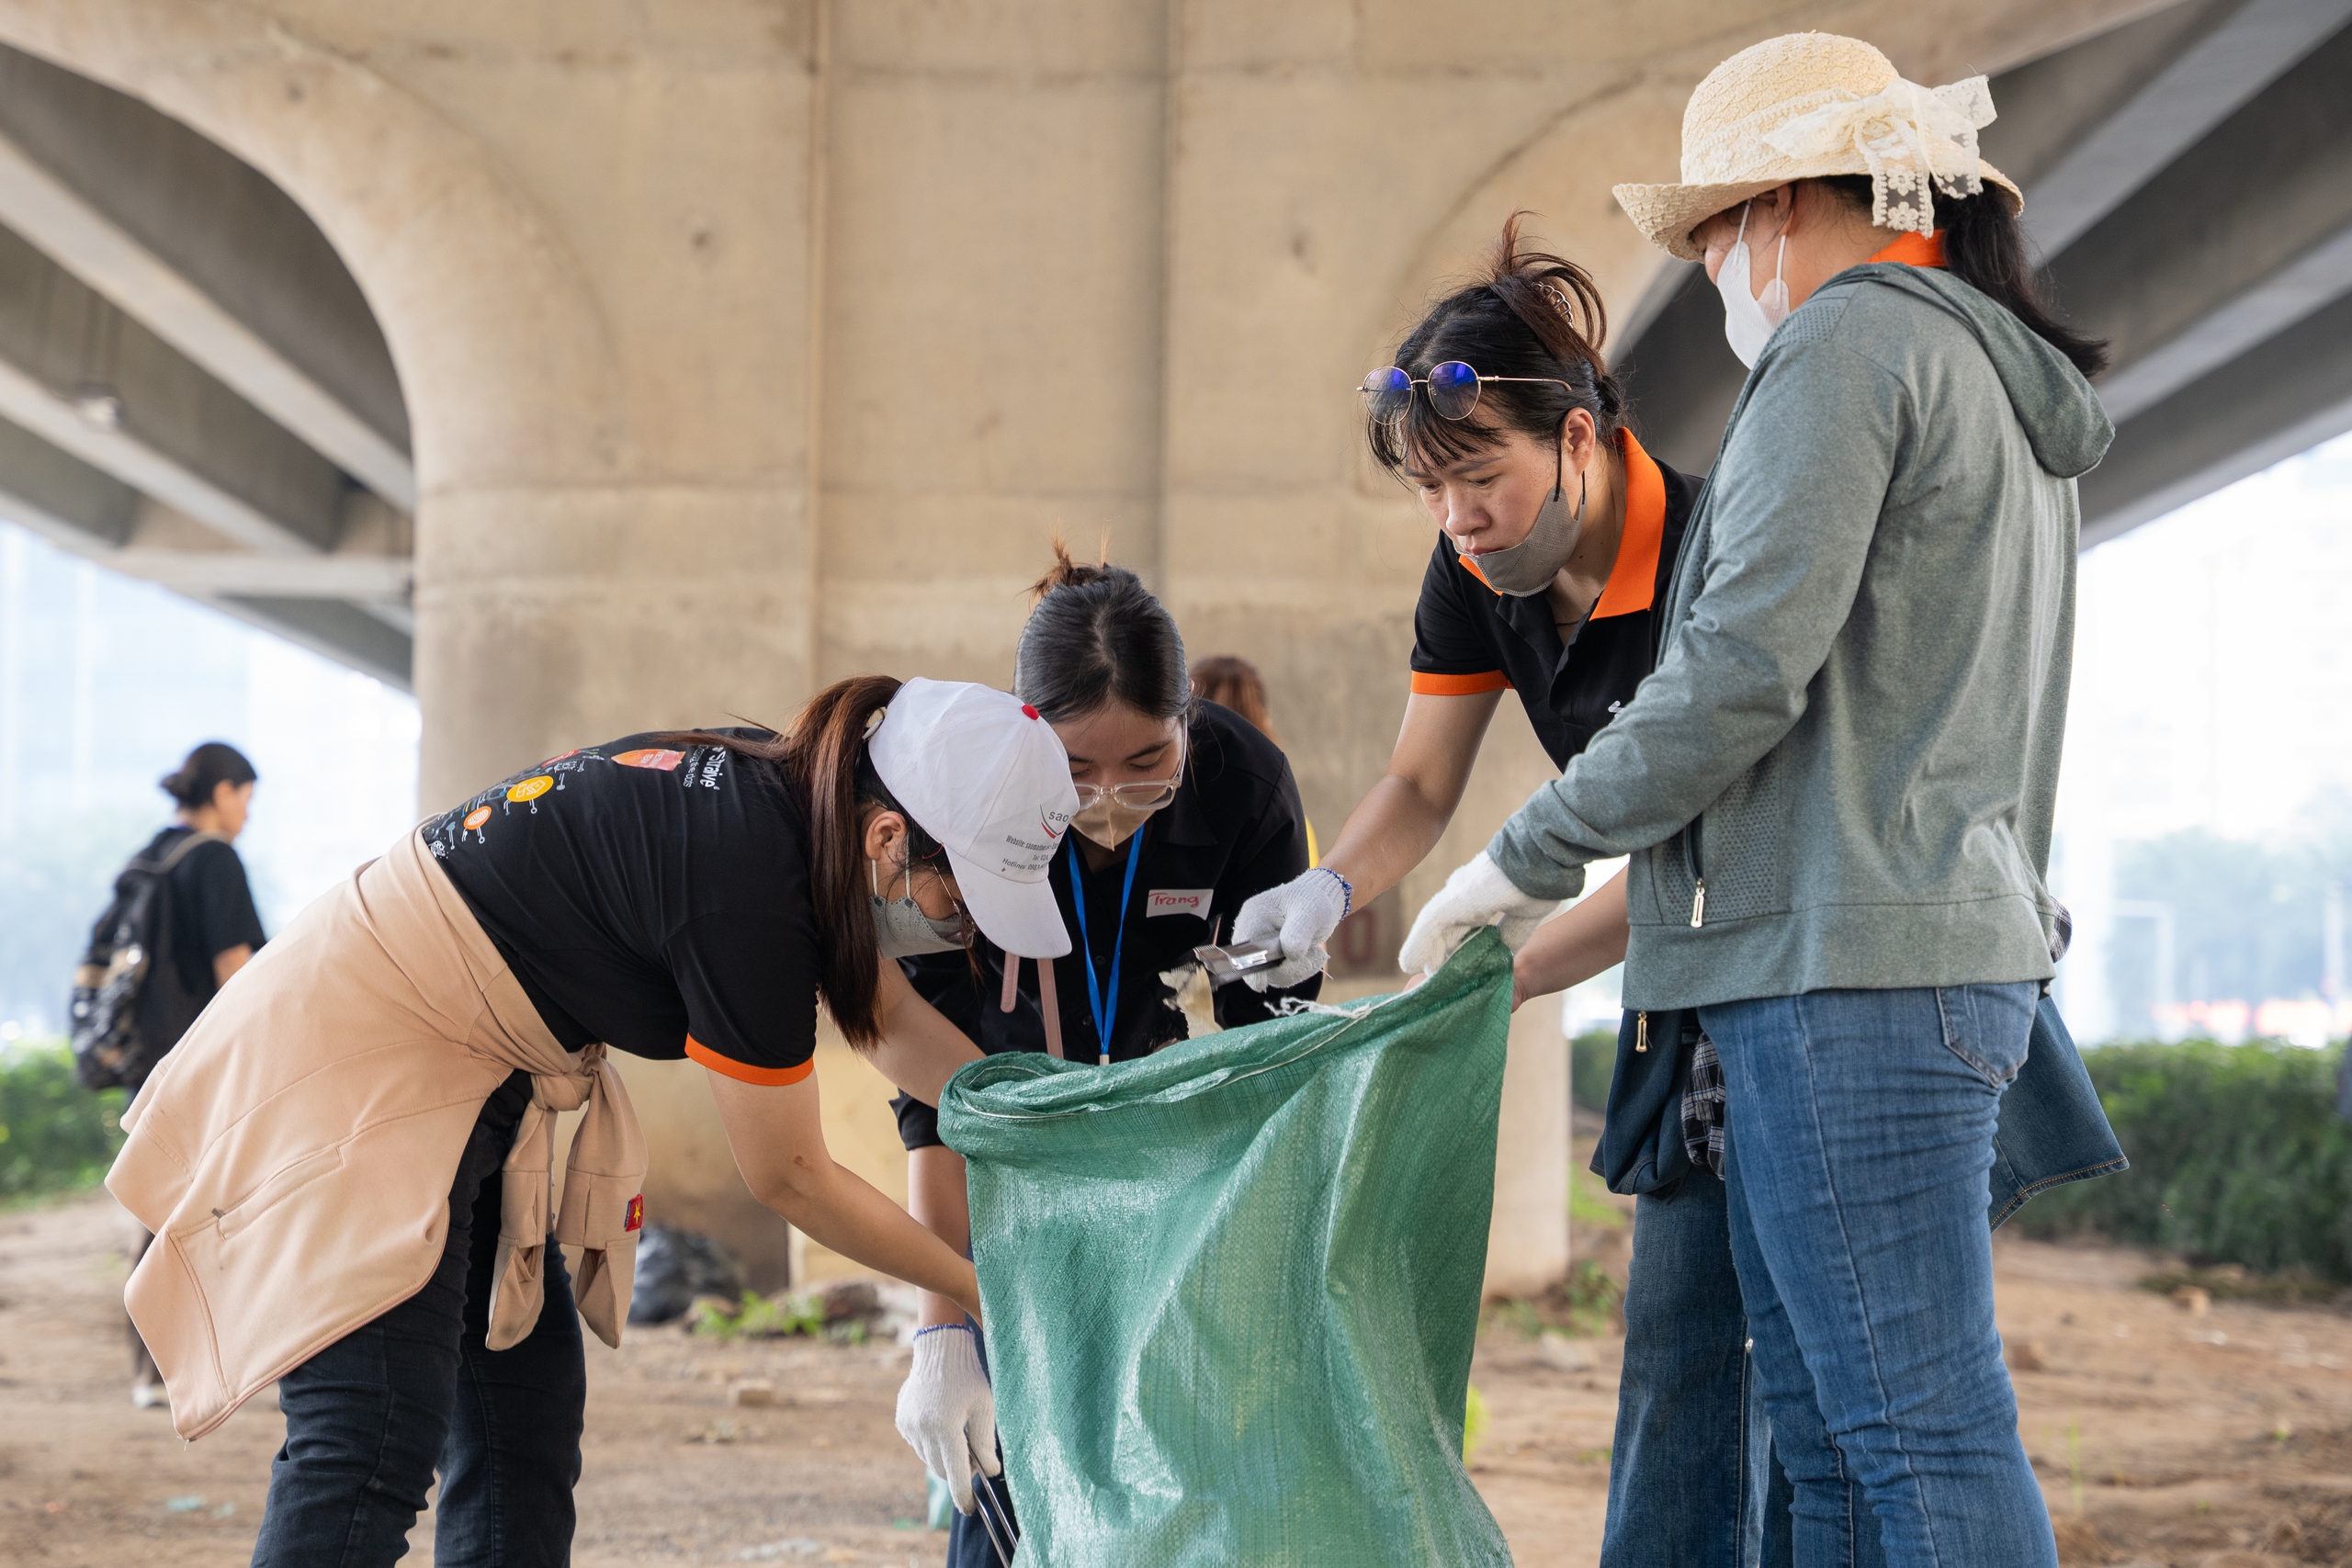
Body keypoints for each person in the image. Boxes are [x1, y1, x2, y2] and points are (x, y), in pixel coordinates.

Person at [1394, 34, 2112, 1568]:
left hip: (1853, 978)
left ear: (1779, 206)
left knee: (1910, 1433)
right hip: (1889, 956)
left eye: (1716, 232)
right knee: (1840, 1439)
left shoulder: (1849, 348)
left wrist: (1518, 858)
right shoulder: (1982, 366)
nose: (1717, 267)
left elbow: (1733, 676)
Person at [108, 676, 1077, 1568]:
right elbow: (790, 1176)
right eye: (960, 901)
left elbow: (897, 1023)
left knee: (520, 1426)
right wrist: (983, 1293)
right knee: (369, 1443)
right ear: (887, 838)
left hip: (483, 1071)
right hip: (366, 1061)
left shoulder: (784, 807)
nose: (959, 929)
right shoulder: (749, 888)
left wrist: (1071, 1130)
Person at [1238, 213, 1784, 1562]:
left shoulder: (1719, 556)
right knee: (1676, 1363)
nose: (1457, 516)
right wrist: (1328, 884)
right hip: (1684, 983)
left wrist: (1491, 969)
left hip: (1782, 959)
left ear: (1581, 439)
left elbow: (1693, 861)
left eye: (1478, 476)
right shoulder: (1478, 568)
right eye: (1431, 490)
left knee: (1812, 1391)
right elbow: (1422, 785)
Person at [891, 547, 1317, 1560]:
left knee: (1171, 1470)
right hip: (1008, 1160)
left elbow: (1265, 1045)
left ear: (1186, 727)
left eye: (1146, 766)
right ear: (1023, 728)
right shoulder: (953, 798)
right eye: (1075, 771)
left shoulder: (1244, 785)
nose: (1110, 800)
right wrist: (942, 1326)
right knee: (1007, 1471)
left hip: (1167, 1158)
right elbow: (938, 1101)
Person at [119, 741, 267, 1409]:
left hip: (149, 1057)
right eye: (245, 798)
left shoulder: (150, 855)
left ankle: (151, 1371)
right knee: (233, 1201)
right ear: (223, 792)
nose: (246, 815)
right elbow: (235, 968)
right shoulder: (214, 858)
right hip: (205, 1060)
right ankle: (220, 1366)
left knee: (160, 1204)